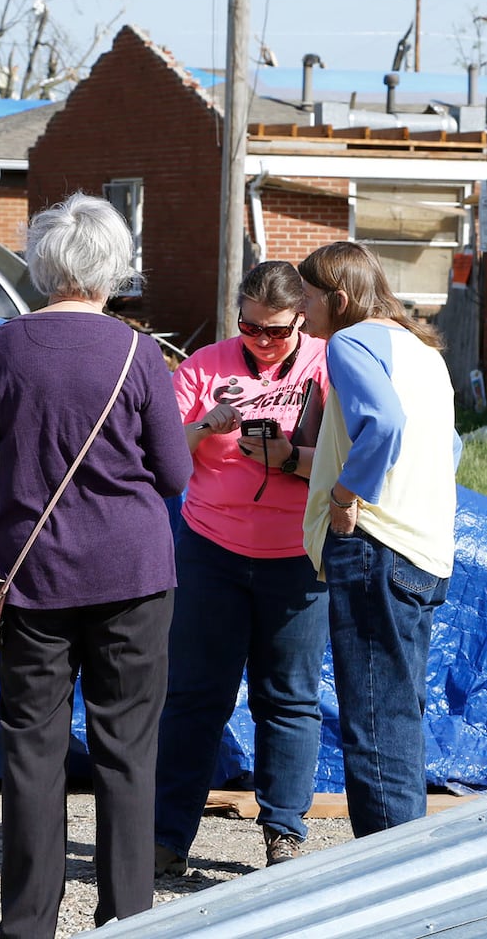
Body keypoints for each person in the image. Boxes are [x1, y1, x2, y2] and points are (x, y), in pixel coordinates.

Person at [0, 191, 192, 939]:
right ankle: (128, 919)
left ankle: (27, 925)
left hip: (32, 572)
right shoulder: (138, 351)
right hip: (132, 569)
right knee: (127, 749)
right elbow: (174, 473)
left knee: (32, 748)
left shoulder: (0, 347)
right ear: (113, 270)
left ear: (40, 264)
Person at [155, 261, 331, 873]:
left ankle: (284, 831)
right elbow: (160, 458)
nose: (260, 341)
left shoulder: (327, 363)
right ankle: (166, 836)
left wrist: (288, 458)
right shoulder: (205, 363)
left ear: (301, 319)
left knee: (287, 699)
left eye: (275, 332)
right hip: (212, 550)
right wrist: (206, 425)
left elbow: (354, 465)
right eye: (249, 327)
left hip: (297, 559)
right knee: (194, 696)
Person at [295, 240, 460, 838]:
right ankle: (405, 855)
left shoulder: (350, 341)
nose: (301, 313)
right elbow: (450, 448)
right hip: (424, 548)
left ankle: (389, 871)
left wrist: (345, 496)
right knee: (398, 712)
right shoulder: (423, 351)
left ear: (339, 299)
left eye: (309, 300)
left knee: (372, 716)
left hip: (374, 542)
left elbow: (383, 423)